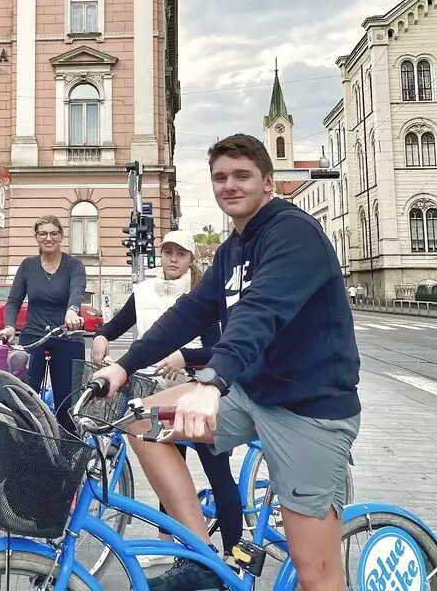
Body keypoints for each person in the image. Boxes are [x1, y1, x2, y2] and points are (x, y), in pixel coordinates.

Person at [94, 134, 360, 591]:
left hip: (309, 410)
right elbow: (192, 312)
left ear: (268, 183)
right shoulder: (232, 248)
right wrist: (123, 365)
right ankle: (203, 560)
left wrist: (211, 382)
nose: (230, 185)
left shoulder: (291, 232)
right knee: (140, 422)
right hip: (254, 395)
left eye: (242, 175)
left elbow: (262, 311)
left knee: (316, 573)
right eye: (220, 177)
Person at [92, 230, 242, 571]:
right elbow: (118, 324)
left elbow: (221, 348)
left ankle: (234, 555)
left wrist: (185, 356)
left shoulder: (205, 294)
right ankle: (169, 544)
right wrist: (101, 335)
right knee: (169, 475)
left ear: (192, 260)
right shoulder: (144, 292)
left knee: (218, 474)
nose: (173, 259)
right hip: (159, 392)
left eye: (181, 254)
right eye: (168, 253)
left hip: (201, 391)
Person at [0, 215, 86, 434]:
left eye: (54, 233)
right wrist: (10, 326)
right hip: (34, 336)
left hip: (67, 336)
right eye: (43, 234)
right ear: (36, 237)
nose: (49, 238)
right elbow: (14, 300)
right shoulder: (28, 266)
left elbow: (77, 290)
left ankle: (68, 455)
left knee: (67, 405)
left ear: (61, 236)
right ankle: (29, 453)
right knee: (26, 400)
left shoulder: (74, 265)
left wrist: (72, 311)